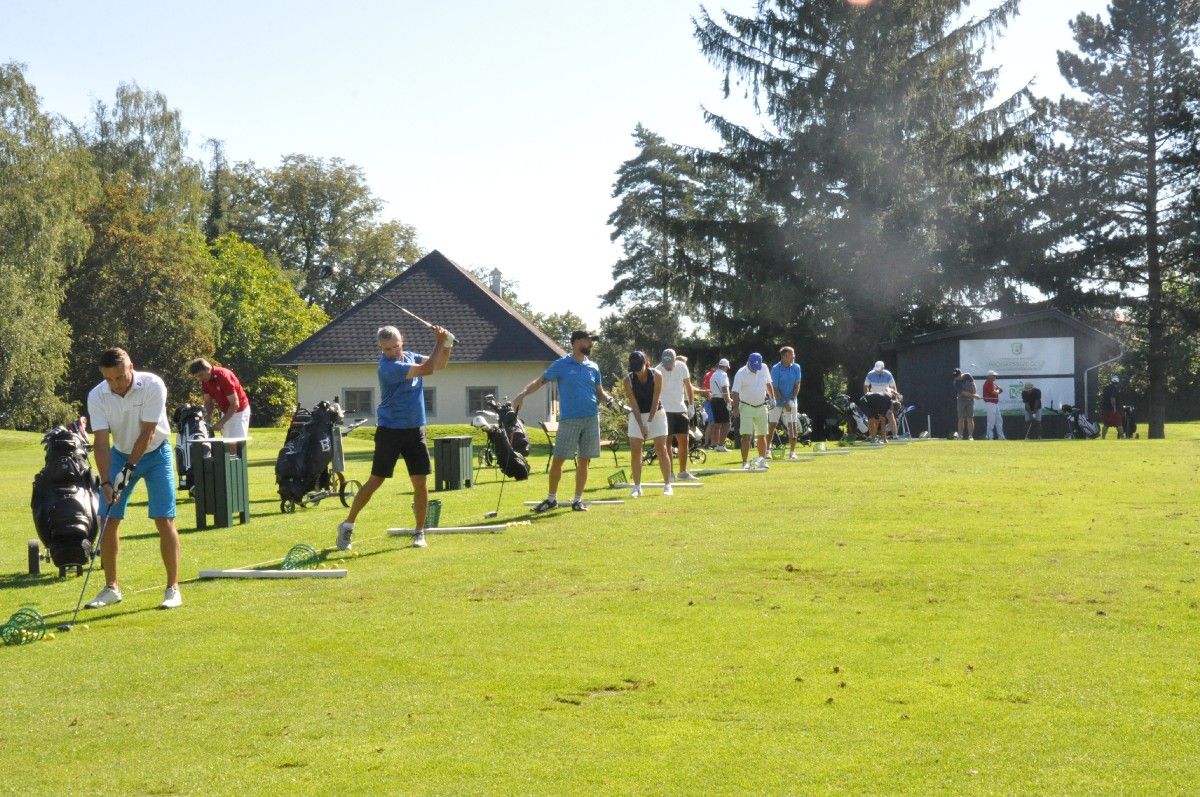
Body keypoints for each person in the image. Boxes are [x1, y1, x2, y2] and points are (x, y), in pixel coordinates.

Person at [336, 323, 453, 551]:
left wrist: (447, 343)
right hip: (390, 430)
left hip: (415, 429)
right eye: (387, 348)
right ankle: (348, 524)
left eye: (395, 346)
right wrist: (440, 341)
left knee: (420, 482)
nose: (392, 352)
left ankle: (419, 532)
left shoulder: (410, 356)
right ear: (381, 348)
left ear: (402, 342)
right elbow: (428, 369)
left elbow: (441, 364)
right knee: (376, 480)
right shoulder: (388, 367)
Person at [84, 348, 183, 610]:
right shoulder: (97, 395)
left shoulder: (153, 385)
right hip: (119, 454)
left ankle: (173, 589)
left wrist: (127, 471)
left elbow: (148, 432)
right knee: (107, 518)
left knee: (163, 518)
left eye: (119, 377)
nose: (115, 384)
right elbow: (101, 442)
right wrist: (106, 481)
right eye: (109, 379)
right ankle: (111, 588)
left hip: (156, 454)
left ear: (131, 368)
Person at [513, 330, 612, 512]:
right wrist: (522, 394)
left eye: (592, 341)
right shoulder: (561, 365)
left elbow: (599, 392)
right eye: (588, 341)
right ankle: (551, 499)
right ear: (576, 342)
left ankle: (577, 500)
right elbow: (540, 381)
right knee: (558, 460)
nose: (591, 344)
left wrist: (608, 399)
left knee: (584, 460)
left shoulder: (593, 367)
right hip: (569, 420)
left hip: (591, 418)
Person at [622, 351, 672, 497]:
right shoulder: (628, 380)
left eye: (640, 367)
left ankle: (667, 485)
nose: (637, 371)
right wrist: (641, 424)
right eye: (634, 368)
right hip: (637, 414)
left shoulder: (657, 375)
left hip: (656, 413)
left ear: (646, 363)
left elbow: (656, 399)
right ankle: (637, 487)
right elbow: (634, 404)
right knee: (635, 451)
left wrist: (649, 421)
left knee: (661, 448)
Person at [187, 357, 250, 454]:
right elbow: (208, 402)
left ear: (207, 368)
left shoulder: (223, 376)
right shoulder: (205, 380)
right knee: (227, 445)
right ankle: (229, 463)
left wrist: (221, 423)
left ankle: (236, 463)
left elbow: (235, 404)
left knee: (236, 445)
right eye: (198, 377)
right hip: (226, 411)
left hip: (239, 412)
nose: (200, 379)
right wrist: (207, 418)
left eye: (201, 375)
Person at [657, 348, 698, 481]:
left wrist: (691, 405)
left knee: (684, 441)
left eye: (670, 364)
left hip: (680, 409)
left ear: (675, 360)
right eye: (666, 364)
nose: (668, 367)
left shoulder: (682, 366)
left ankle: (683, 472)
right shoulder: (657, 370)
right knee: (667, 442)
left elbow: (688, 386)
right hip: (664, 410)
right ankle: (670, 473)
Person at [732, 352, 773, 469]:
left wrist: (772, 397)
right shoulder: (741, 373)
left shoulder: (763, 367)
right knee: (746, 435)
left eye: (757, 366)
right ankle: (745, 462)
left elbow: (768, 383)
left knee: (762, 435)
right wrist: (736, 408)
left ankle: (762, 461)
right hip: (746, 406)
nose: (755, 369)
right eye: (753, 366)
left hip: (762, 406)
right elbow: (735, 392)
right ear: (748, 363)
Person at [768, 346, 803, 459]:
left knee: (792, 425)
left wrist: (791, 400)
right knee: (772, 425)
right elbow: (774, 388)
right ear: (784, 356)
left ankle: (792, 452)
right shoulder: (775, 368)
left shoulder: (796, 367)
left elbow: (797, 384)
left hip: (791, 400)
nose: (794, 356)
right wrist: (784, 402)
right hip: (776, 400)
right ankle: (767, 450)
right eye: (792, 354)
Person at [863, 361, 897, 442]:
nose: (877, 372)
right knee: (873, 418)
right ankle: (872, 437)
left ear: (882, 368)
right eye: (876, 371)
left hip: (886, 399)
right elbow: (865, 386)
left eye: (879, 371)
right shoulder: (870, 374)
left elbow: (893, 387)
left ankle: (895, 436)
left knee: (890, 415)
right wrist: (867, 395)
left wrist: (894, 399)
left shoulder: (888, 374)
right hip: (874, 399)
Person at [708, 358, 732, 452]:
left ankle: (715, 444)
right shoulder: (723, 374)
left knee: (717, 423)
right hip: (721, 400)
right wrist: (728, 400)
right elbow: (725, 388)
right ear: (725, 367)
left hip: (714, 399)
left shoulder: (713, 374)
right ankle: (721, 445)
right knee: (727, 423)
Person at [953, 368, 981, 440]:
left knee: (970, 418)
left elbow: (973, 384)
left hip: (970, 401)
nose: (956, 378)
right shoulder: (956, 382)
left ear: (961, 374)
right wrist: (974, 396)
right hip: (961, 400)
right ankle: (960, 436)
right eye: (955, 376)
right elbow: (963, 393)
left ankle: (970, 436)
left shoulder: (968, 376)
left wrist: (974, 393)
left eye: (957, 376)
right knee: (961, 418)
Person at [981, 370, 1006, 441]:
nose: (995, 376)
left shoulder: (992, 383)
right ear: (989, 376)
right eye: (994, 375)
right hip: (990, 403)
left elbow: (1000, 391)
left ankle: (1001, 437)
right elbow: (994, 393)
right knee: (991, 421)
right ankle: (989, 436)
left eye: (995, 375)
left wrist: (999, 389)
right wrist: (998, 390)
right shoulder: (988, 383)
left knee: (999, 421)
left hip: (995, 404)